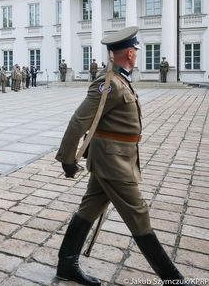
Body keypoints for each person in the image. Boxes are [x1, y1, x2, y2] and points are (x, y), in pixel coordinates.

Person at [55, 26, 196, 286]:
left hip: (115, 157)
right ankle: (173, 279)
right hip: (113, 162)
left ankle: (67, 264)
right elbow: (79, 121)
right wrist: (67, 157)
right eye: (136, 52)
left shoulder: (121, 80)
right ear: (130, 54)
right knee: (138, 214)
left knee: (90, 207)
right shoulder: (108, 84)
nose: (137, 55)